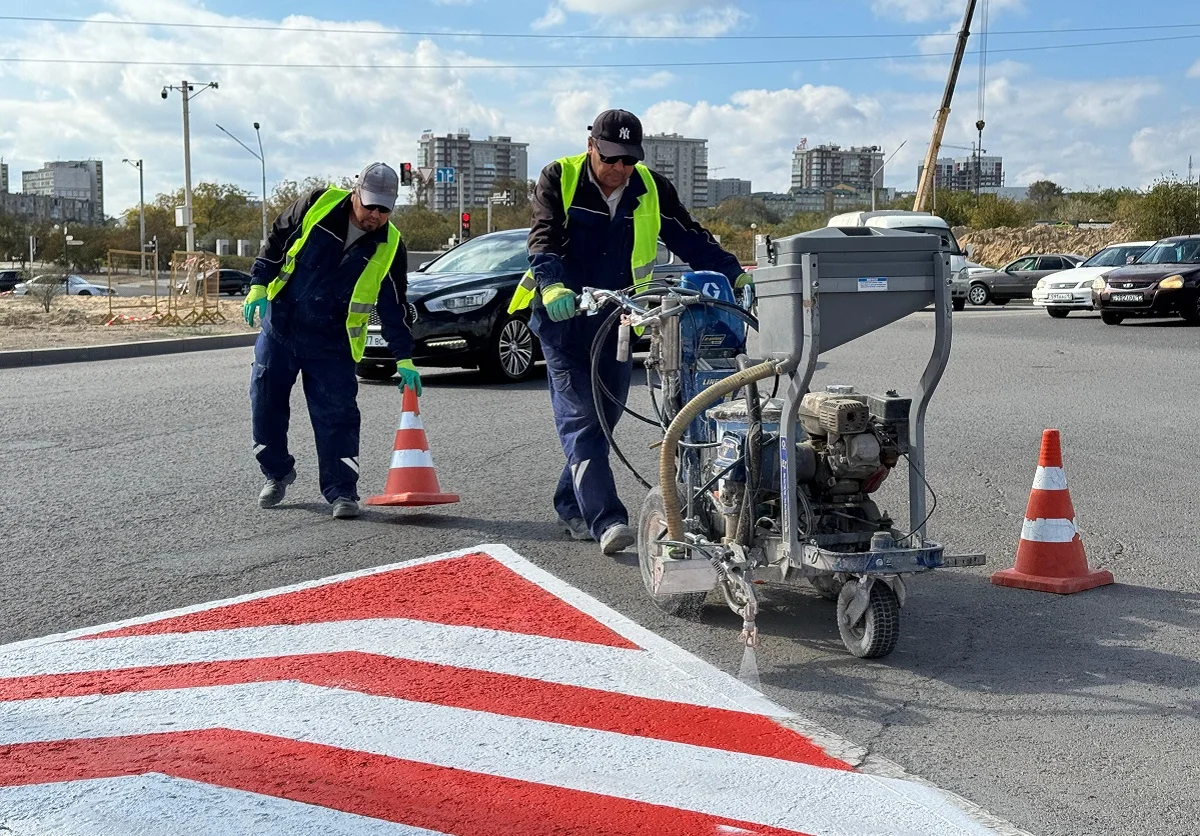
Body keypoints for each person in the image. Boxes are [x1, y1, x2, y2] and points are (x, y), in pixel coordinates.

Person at [512, 109, 752, 555]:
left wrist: (733, 274)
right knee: (582, 421)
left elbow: (689, 237)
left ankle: (570, 502)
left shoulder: (650, 187)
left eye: (627, 159)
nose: (619, 169)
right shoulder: (558, 178)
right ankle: (606, 518)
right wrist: (552, 285)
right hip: (563, 324)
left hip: (617, 322)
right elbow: (542, 239)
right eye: (610, 159)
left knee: (605, 418)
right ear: (591, 148)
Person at [243, 162, 422, 519]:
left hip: (332, 344)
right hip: (282, 327)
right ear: (356, 192)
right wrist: (259, 283)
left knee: (337, 416)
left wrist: (404, 356)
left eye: (384, 209)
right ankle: (276, 473)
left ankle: (342, 491)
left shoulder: (390, 245)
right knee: (265, 403)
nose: (375, 215)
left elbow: (393, 305)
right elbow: (277, 240)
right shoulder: (317, 204)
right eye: (370, 205)